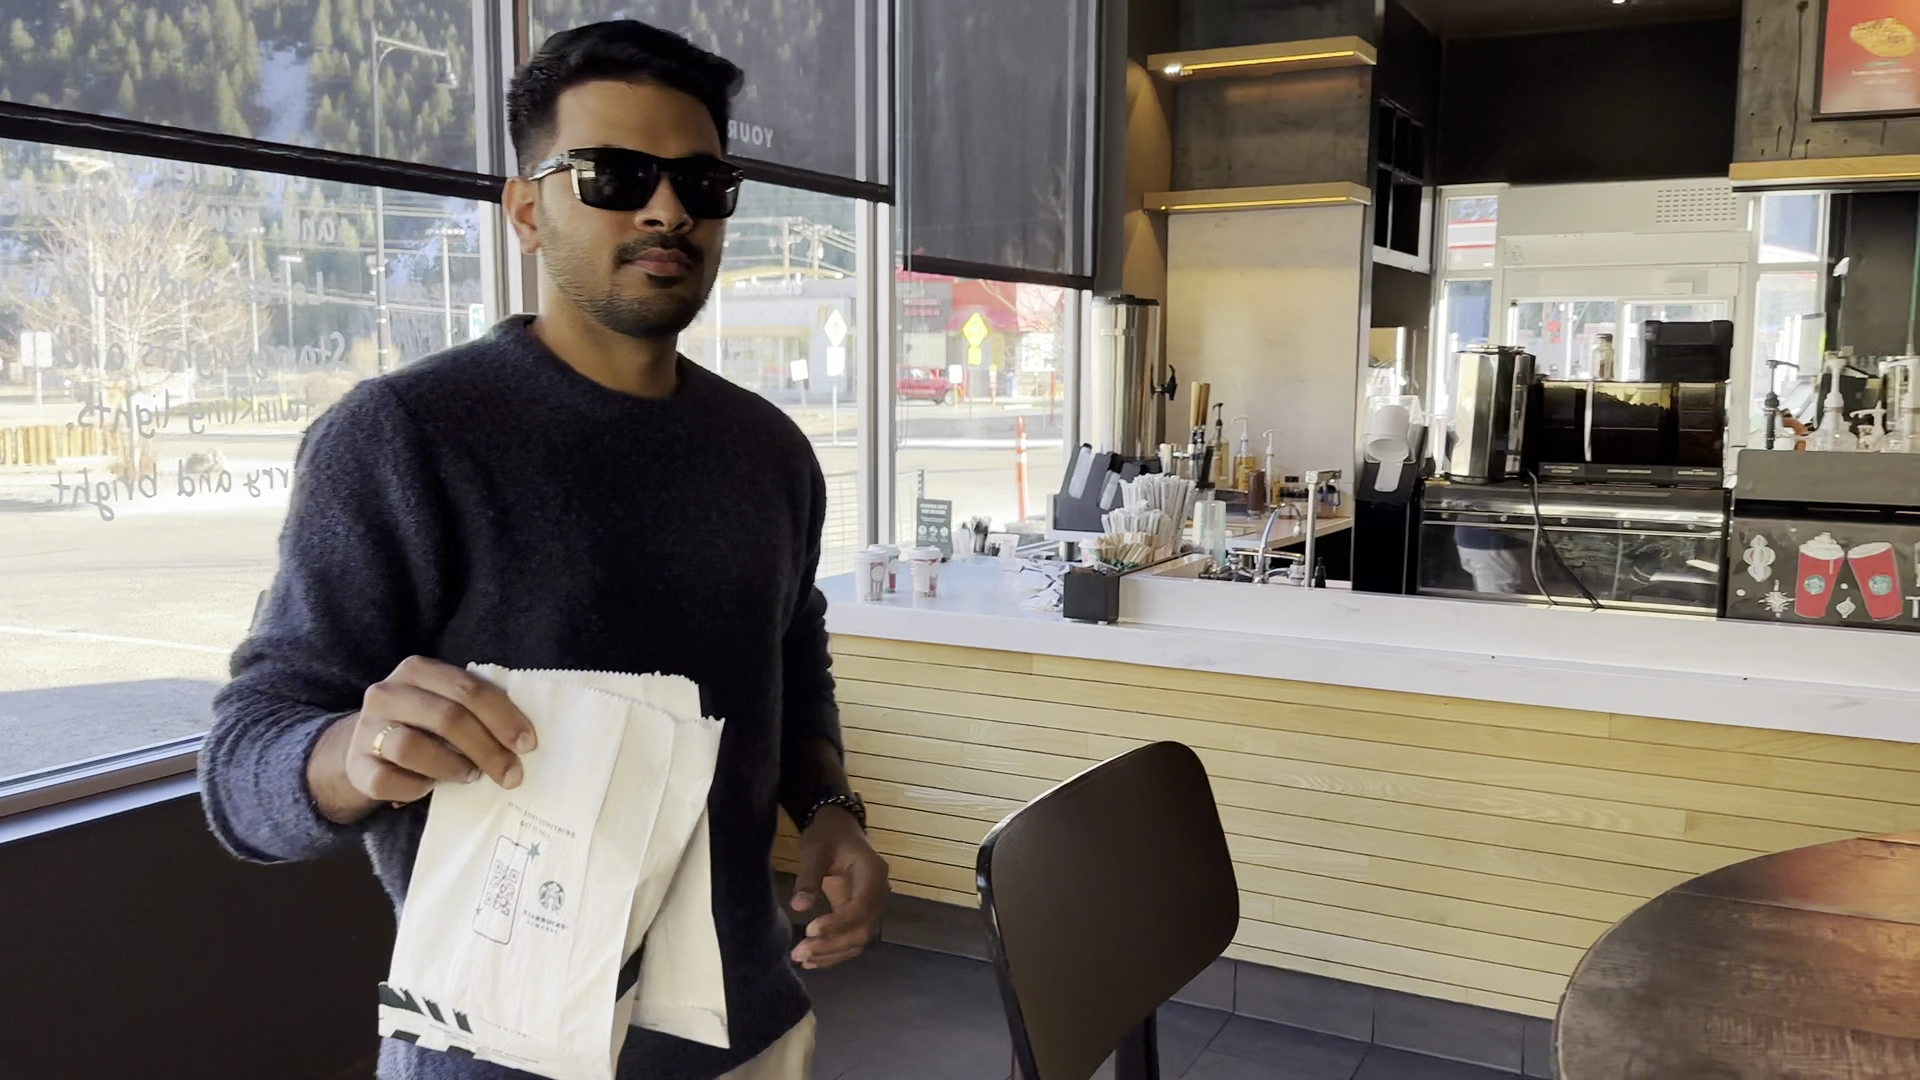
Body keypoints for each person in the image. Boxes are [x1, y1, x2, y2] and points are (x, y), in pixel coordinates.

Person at [198, 20, 888, 1080]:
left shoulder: (770, 452)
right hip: (496, 1054)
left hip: (751, 1028)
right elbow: (245, 767)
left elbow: (792, 656)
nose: (667, 210)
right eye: (615, 175)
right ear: (526, 210)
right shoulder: (405, 436)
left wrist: (830, 810)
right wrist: (353, 753)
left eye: (702, 183)